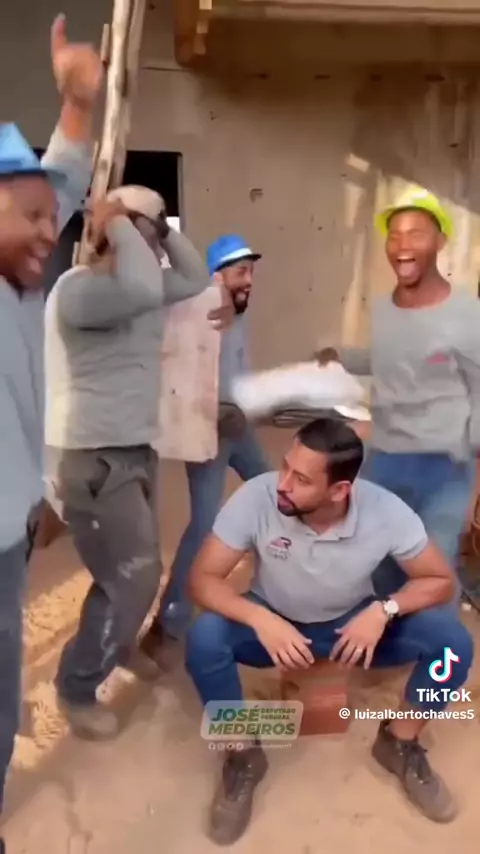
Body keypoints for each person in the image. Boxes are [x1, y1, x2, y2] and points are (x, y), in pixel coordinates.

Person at [185, 417, 472, 845]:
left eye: (301, 479)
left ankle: (399, 741)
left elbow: (439, 581)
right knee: (205, 638)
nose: (282, 484)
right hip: (274, 622)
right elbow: (202, 579)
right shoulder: (258, 497)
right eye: (286, 466)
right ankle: (242, 754)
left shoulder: (385, 511)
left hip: (351, 626)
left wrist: (384, 610)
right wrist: (260, 619)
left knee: (452, 646)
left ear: (339, 491)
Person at [44, 185, 232, 740]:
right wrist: (117, 220)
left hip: (132, 450)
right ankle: (77, 686)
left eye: (152, 236)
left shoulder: (141, 291)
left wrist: (162, 226)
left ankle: (117, 641)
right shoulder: (80, 290)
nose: (151, 248)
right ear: (113, 234)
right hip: (92, 457)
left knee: (138, 569)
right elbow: (143, 283)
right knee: (131, 575)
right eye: (143, 235)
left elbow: (194, 278)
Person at [0, 15, 101, 849]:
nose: (51, 232)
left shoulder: (25, 283)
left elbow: (62, 176)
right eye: (31, 216)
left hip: (10, 523)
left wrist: (76, 101)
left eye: (52, 217)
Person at [317, 186, 480, 600]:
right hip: (385, 459)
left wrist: (476, 480)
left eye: (416, 234)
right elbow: (391, 358)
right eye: (395, 235)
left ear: (440, 241)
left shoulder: (467, 315)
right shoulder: (384, 309)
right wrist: (343, 357)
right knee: (382, 567)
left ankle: (440, 643)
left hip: (443, 466)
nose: (402, 246)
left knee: (434, 575)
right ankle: (391, 634)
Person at [142, 234, 269, 651]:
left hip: (239, 428)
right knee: (204, 525)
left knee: (275, 493)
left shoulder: (238, 310)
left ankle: (281, 590)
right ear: (216, 276)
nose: (249, 280)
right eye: (241, 272)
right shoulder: (194, 311)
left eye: (251, 272)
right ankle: (168, 624)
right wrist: (211, 410)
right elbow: (174, 371)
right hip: (208, 432)